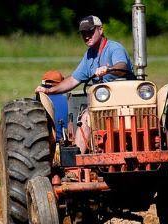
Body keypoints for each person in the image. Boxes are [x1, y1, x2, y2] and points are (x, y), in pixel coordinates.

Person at [35, 15, 133, 153]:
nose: (87, 36)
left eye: (90, 32)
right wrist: (49, 91)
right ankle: (77, 164)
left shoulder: (114, 48)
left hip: (126, 101)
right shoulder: (89, 55)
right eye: (83, 34)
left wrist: (109, 69)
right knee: (85, 118)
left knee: (89, 115)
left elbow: (122, 67)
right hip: (102, 105)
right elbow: (73, 80)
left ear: (101, 29)